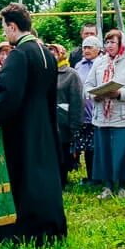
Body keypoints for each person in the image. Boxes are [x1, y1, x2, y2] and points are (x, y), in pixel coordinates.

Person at [0, 3, 68, 245]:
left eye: (4, 28)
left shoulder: (19, 55)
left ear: (13, 27)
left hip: (20, 132)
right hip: (43, 128)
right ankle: (47, 231)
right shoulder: (45, 52)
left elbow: (7, 96)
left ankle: (15, 234)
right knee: (41, 179)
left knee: (20, 181)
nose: (4, 33)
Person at [84, 29, 125, 198]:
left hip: (123, 116)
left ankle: (122, 186)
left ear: (121, 44)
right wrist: (94, 94)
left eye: (113, 42)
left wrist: (120, 93)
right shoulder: (99, 62)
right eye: (107, 42)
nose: (109, 45)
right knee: (104, 152)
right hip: (102, 115)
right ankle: (107, 186)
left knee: (121, 152)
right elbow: (88, 85)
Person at [51, 43, 83, 186]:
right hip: (48, 120)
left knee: (63, 151)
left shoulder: (71, 74)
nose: (51, 55)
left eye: (54, 52)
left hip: (64, 120)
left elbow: (76, 101)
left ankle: (62, 180)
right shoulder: (45, 73)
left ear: (61, 54)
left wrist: (75, 125)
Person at [72, 36, 100, 179]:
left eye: (90, 47)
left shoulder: (101, 64)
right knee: (86, 146)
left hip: (97, 110)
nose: (86, 50)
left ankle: (97, 176)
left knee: (95, 147)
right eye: (84, 47)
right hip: (82, 112)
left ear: (98, 49)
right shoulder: (78, 65)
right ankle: (89, 176)